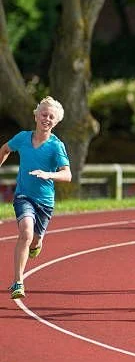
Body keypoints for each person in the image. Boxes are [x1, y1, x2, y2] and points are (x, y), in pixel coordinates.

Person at [0, 96, 72, 299]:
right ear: (36, 115)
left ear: (56, 122)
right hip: (23, 196)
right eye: (44, 114)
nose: (46, 119)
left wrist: (49, 174)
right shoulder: (22, 138)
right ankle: (18, 282)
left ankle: (37, 244)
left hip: (45, 202)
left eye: (51, 117)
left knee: (35, 240)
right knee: (25, 233)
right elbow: (5, 149)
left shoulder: (56, 146)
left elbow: (67, 174)